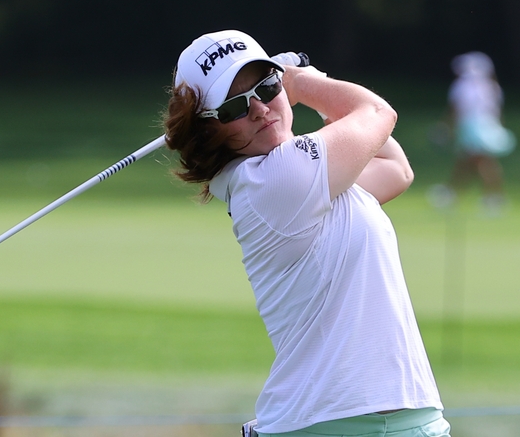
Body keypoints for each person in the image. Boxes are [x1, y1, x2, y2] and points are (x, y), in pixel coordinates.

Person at [163, 30, 448, 437]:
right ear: (210, 131)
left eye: (266, 88)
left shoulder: (301, 178)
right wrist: (302, 83)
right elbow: (376, 112)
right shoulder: (272, 181)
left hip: (397, 420)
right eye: (234, 107)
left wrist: (301, 87)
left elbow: (394, 169)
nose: (260, 109)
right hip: (335, 424)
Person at [428, 52, 515, 214]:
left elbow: (456, 109)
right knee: (469, 161)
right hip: (488, 125)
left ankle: (491, 197)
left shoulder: (462, 85)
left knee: (481, 162)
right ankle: (453, 192)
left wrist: (446, 127)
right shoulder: (491, 86)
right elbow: (497, 111)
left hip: (472, 127)